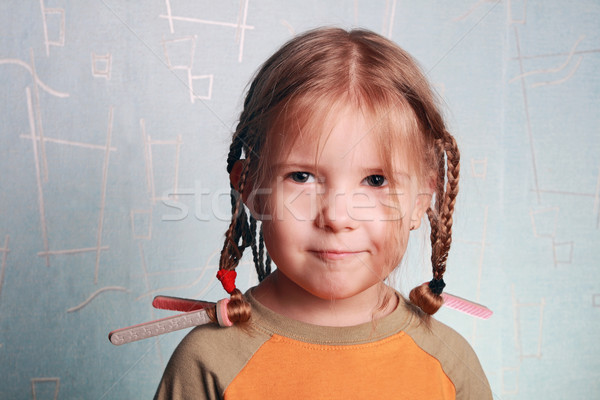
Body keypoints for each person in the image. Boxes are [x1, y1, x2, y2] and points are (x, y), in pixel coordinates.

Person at [154, 27, 493, 399]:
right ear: (250, 187)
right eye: (302, 176)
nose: (336, 216)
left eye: (376, 180)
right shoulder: (208, 361)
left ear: (420, 201)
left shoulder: (449, 365)